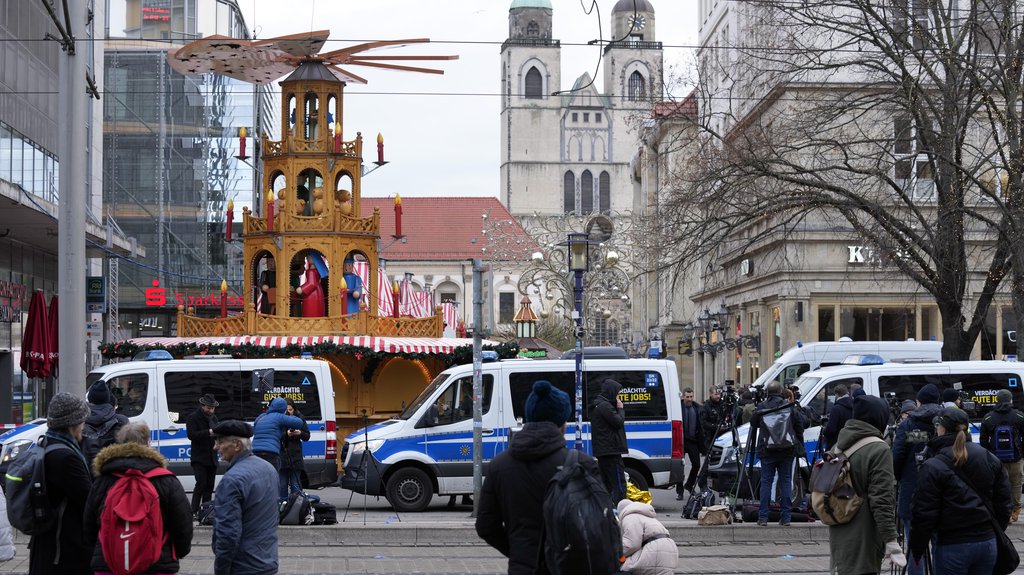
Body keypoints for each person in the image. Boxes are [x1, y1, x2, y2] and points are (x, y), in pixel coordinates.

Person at [476, 379, 573, 575]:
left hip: (523, 566)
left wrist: (519, 551)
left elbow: (486, 526)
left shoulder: (499, 465)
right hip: (569, 566)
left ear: (529, 415)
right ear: (563, 422)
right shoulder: (580, 465)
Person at [910, 407, 1011, 574]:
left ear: (941, 428)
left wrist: (917, 548)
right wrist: (994, 529)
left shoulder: (933, 465)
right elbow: (1004, 502)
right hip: (986, 541)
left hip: (952, 544)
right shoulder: (989, 457)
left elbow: (924, 512)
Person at [83, 422, 193, 574]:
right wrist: (177, 553)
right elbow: (183, 525)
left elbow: (89, 527)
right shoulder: (166, 480)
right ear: (148, 443)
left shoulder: (103, 481)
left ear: (119, 444)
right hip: (157, 565)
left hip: (109, 565)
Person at [827, 394, 905, 575]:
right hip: (865, 538)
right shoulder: (879, 449)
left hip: (840, 534)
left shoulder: (839, 445)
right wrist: (891, 540)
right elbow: (882, 499)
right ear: (879, 417)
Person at [29, 391, 92, 575]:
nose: (83, 426)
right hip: (64, 549)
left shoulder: (46, 444)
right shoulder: (66, 458)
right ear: (72, 424)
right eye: (82, 421)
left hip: (47, 543)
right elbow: (89, 501)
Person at [211, 420, 280, 575]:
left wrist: (221, 570)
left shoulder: (231, 480)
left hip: (243, 566)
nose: (215, 447)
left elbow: (228, 534)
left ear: (237, 445)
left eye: (220, 442)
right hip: (267, 561)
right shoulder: (269, 469)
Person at [891, 382, 942, 575]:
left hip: (912, 491)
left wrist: (900, 477)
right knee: (940, 540)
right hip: (941, 493)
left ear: (918, 403)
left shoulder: (908, 425)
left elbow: (897, 457)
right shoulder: (945, 422)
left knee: (914, 544)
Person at [750, 381, 804, 526]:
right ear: (781, 392)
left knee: (766, 482)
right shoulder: (788, 406)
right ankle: (786, 517)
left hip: (767, 449)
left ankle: (763, 517)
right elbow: (800, 425)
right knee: (785, 481)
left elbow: (753, 423)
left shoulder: (762, 406)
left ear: (767, 392)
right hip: (787, 449)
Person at [980, 389, 1024, 522]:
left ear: (997, 400)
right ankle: (1015, 511)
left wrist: (990, 454)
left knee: (999, 484)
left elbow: (983, 440)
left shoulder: (988, 417)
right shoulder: (1019, 416)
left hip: (996, 459)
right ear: (1010, 400)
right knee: (1016, 484)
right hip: (1016, 457)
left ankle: (1002, 511)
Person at [616, 499, 678, 575]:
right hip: (670, 549)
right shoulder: (648, 516)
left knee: (623, 568)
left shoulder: (630, 516)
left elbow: (632, 543)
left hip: (655, 549)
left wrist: (615, 554)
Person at [590, 378, 628, 502]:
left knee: (607, 485)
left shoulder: (599, 404)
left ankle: (609, 512)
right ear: (611, 392)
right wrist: (621, 408)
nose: (618, 397)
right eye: (617, 393)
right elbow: (618, 422)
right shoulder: (605, 406)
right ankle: (620, 511)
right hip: (611, 451)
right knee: (619, 484)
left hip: (604, 451)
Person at [186, 393, 220, 517]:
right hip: (199, 457)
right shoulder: (193, 417)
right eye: (209, 408)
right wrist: (209, 432)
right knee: (200, 484)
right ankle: (193, 510)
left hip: (212, 457)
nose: (211, 410)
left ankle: (206, 510)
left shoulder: (214, 418)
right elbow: (192, 435)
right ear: (203, 406)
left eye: (213, 408)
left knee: (210, 486)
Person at [82, 380, 129, 467]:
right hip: (114, 472)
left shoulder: (80, 422)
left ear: (90, 398)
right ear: (108, 399)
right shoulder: (122, 421)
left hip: (87, 473)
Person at [251, 396, 304, 470]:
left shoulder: (260, 417)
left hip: (255, 452)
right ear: (283, 409)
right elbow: (299, 423)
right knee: (272, 478)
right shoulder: (279, 417)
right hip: (270, 452)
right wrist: (288, 414)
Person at [675, 387, 704, 500]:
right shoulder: (678, 407)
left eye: (691, 396)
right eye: (687, 397)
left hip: (693, 441)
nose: (689, 399)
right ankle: (679, 491)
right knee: (680, 466)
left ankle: (689, 484)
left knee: (696, 464)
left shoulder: (697, 408)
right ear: (683, 397)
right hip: (680, 441)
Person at [280, 398, 310, 500]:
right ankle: (282, 509)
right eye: (287, 410)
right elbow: (276, 435)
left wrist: (300, 433)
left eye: (290, 410)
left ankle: (295, 508)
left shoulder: (300, 417)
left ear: (294, 409)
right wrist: (287, 434)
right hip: (283, 455)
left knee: (295, 485)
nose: (289, 412)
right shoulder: (280, 418)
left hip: (295, 456)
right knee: (282, 485)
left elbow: (307, 436)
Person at [821, 383, 852, 451]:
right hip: (850, 442)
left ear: (837, 394)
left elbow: (831, 429)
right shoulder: (855, 405)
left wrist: (824, 430)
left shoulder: (836, 409)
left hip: (836, 444)